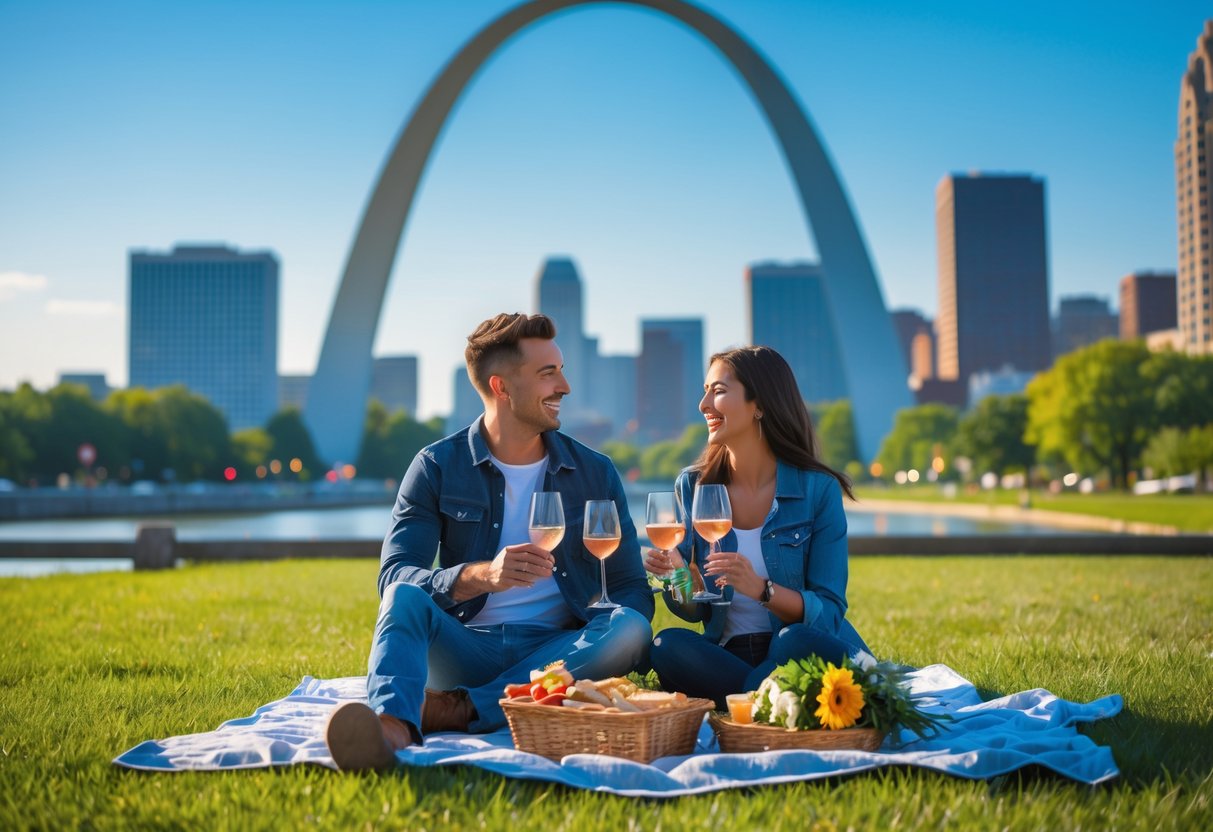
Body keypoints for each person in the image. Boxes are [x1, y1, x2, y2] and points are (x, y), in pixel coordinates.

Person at [326, 313, 653, 770]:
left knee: (631, 626)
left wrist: (601, 619)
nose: (564, 387)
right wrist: (480, 576)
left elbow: (632, 589)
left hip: (560, 654)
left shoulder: (595, 472)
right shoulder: (436, 466)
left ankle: (455, 710)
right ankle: (391, 730)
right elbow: (394, 576)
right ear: (501, 387)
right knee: (402, 597)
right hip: (465, 647)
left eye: (561, 370)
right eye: (548, 373)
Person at [645, 346, 869, 709]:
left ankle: (743, 703)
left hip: (799, 646)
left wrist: (761, 589)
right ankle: (767, 700)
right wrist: (677, 578)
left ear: (760, 404)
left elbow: (828, 612)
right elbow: (696, 610)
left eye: (717, 391)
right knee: (666, 645)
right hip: (729, 654)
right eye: (705, 391)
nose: (703, 404)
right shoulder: (692, 486)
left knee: (790, 641)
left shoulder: (817, 490)